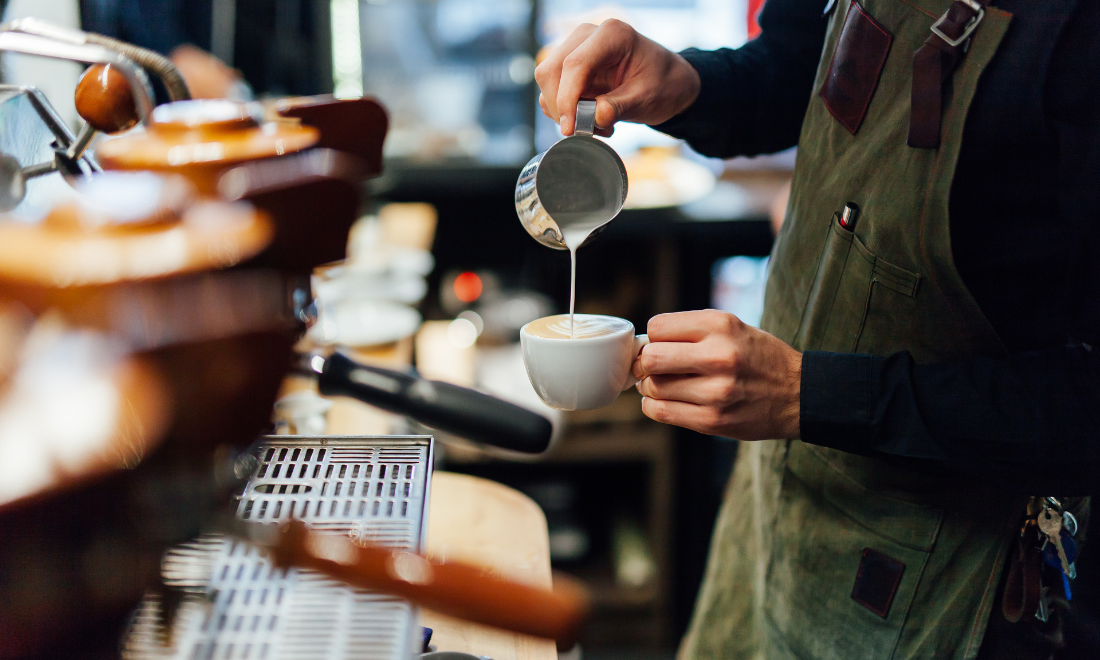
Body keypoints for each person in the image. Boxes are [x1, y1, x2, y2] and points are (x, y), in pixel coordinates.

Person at [534, 0, 1099, 658]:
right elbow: (797, 67)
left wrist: (812, 393)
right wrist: (690, 84)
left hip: (948, 575)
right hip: (777, 498)